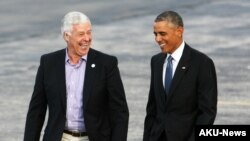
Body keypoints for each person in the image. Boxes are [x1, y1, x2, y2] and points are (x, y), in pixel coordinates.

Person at [24, 11, 129, 141]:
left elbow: (119, 112)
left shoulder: (106, 64)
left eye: (89, 32)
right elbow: (36, 111)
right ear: (67, 36)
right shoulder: (48, 63)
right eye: (81, 34)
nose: (87, 38)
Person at [143, 10, 217, 141]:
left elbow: (207, 113)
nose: (157, 39)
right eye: (155, 34)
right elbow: (152, 109)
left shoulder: (201, 63)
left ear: (179, 31)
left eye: (162, 34)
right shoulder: (156, 61)